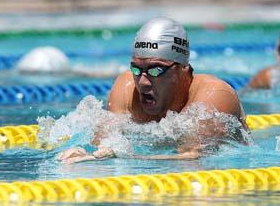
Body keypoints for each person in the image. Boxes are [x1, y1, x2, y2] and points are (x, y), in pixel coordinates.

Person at [58, 17, 248, 163]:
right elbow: (102, 145)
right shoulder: (126, 89)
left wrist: (121, 158)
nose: (143, 82)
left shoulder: (214, 96)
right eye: (136, 69)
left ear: (182, 69)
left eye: (155, 70)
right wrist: (82, 152)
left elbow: (190, 160)